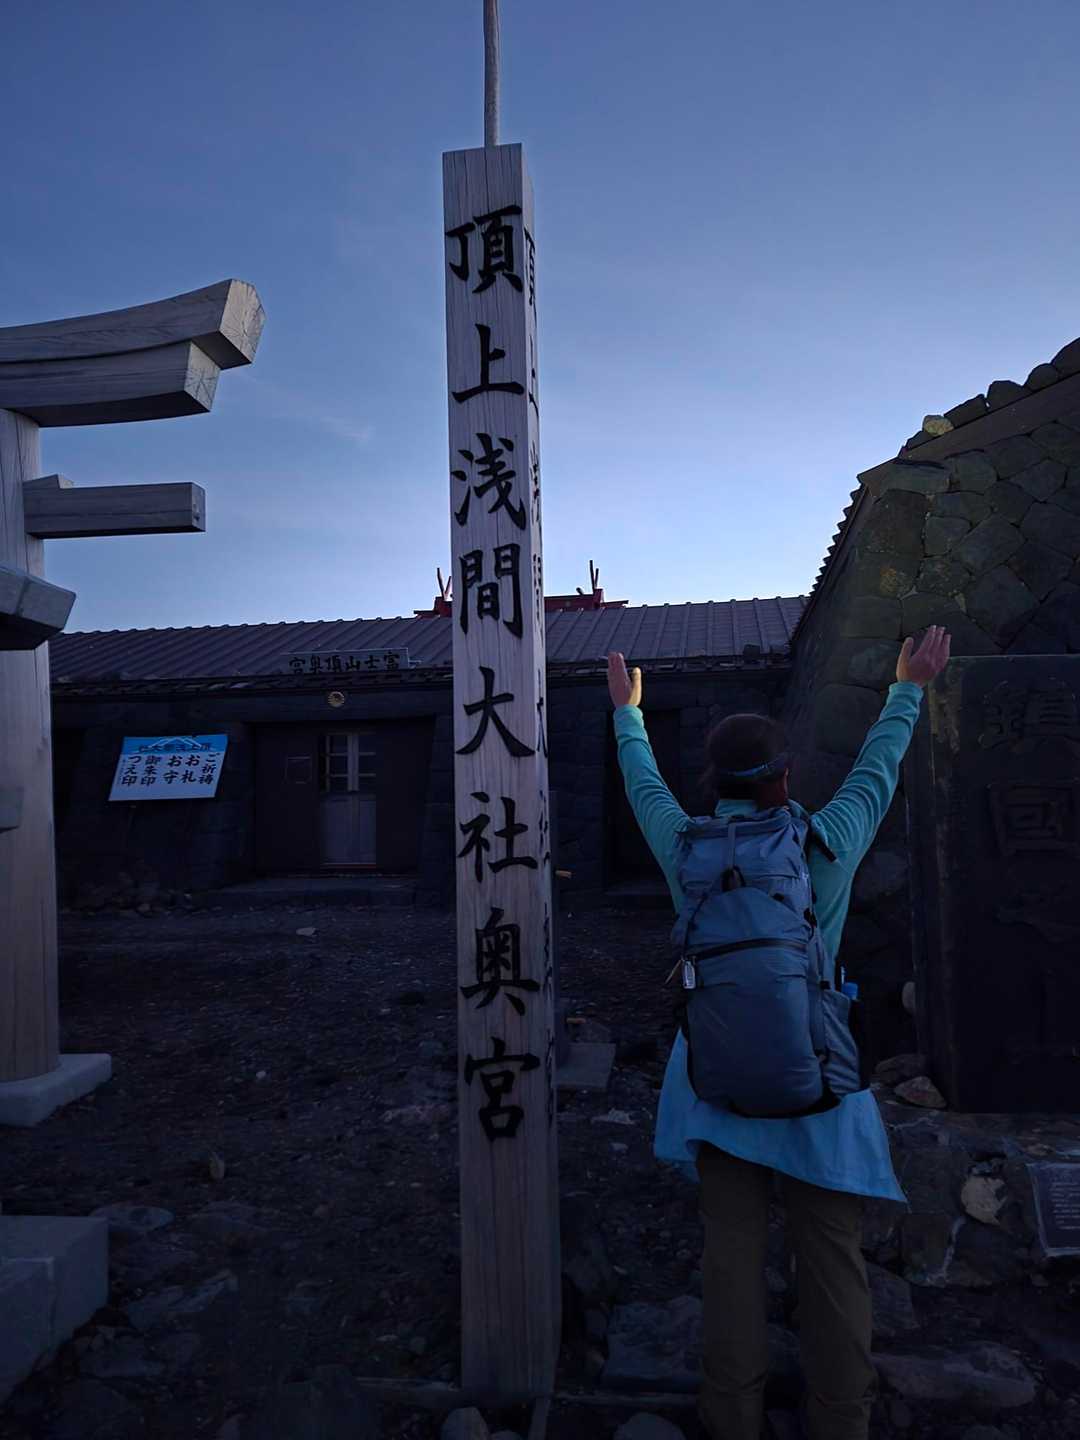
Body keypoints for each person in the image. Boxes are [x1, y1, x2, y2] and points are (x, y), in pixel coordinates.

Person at [607, 626, 952, 1440]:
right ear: (784, 775)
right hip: (818, 1078)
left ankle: (732, 1417)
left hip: (716, 1077)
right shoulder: (826, 842)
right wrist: (907, 688)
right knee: (830, 1255)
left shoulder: (684, 848)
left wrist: (628, 715)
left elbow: (643, 784)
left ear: (714, 782)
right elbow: (877, 769)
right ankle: (840, 1421)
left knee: (730, 1258)